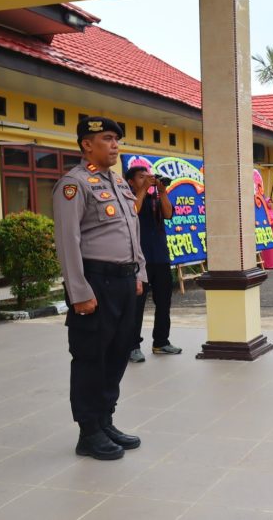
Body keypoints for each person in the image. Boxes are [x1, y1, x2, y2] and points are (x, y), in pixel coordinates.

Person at [53, 116, 147, 460]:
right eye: (107, 138)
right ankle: (88, 431)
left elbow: (131, 231)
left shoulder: (119, 183)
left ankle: (105, 420)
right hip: (96, 282)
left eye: (116, 139)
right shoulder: (74, 184)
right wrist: (79, 291)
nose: (114, 145)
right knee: (91, 357)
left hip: (124, 280)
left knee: (118, 354)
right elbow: (68, 241)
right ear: (86, 144)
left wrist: (139, 273)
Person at [125, 166, 181, 363]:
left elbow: (168, 214)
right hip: (138, 260)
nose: (146, 180)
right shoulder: (127, 199)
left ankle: (161, 342)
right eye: (141, 177)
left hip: (160, 258)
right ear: (131, 181)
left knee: (164, 302)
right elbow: (133, 212)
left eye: (148, 177)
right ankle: (132, 346)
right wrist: (142, 190)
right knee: (136, 306)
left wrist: (162, 192)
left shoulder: (154, 199)